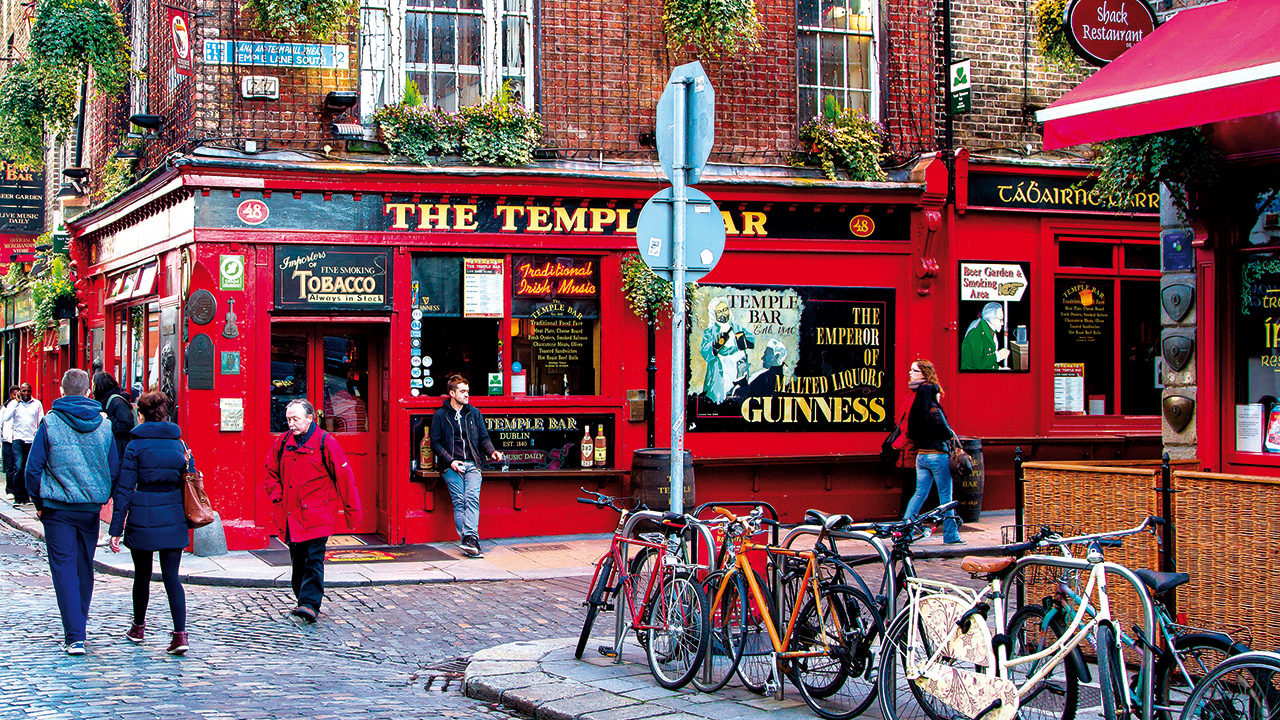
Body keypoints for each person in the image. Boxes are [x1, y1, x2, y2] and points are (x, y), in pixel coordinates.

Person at [24, 369, 120, 655]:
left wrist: (38, 503)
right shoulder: (105, 427)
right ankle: (80, 623)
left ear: (63, 392)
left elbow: (33, 469)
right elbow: (113, 469)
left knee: (64, 569)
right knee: (83, 566)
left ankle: (75, 635)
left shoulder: (50, 423)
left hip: (57, 508)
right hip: (89, 508)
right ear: (89, 391)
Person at [108, 391, 191, 655]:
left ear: (140, 415)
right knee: (172, 578)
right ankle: (180, 635)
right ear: (164, 414)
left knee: (141, 575)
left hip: (143, 512)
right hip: (172, 512)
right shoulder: (179, 444)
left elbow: (124, 488)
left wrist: (115, 529)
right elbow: (190, 479)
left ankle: (138, 627)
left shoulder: (135, 445)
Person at [264, 399, 362, 623]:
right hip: (291, 515)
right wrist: (277, 497)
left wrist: (352, 513)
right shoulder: (282, 443)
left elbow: (344, 479)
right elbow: (270, 473)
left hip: (318, 513)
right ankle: (303, 600)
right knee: (298, 560)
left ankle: (310, 604)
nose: (291, 424)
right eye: (288, 419)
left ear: (310, 418)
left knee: (313, 559)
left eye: (296, 419)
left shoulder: (326, 443)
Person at [429, 375, 502, 558]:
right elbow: (435, 444)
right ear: (452, 393)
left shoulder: (474, 413)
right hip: (451, 465)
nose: (466, 395)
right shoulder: (440, 416)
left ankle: (469, 539)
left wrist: (491, 451)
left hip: (472, 464)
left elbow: (483, 438)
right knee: (459, 500)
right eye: (462, 391)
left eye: (467, 391)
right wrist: (451, 461)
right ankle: (471, 541)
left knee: (471, 498)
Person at [902, 359, 963, 545]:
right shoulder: (934, 409)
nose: (910, 373)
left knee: (919, 493)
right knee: (946, 497)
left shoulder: (916, 407)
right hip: (937, 456)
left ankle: (905, 531)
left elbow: (910, 431)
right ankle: (951, 536)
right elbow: (946, 432)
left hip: (921, 456)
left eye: (914, 370)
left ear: (923, 373)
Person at [700, 298, 756, 403]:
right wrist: (716, 345)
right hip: (721, 371)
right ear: (714, 314)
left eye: (725, 310)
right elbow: (705, 352)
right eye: (719, 311)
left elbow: (751, 340)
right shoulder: (710, 332)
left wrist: (741, 341)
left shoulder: (735, 327)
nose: (723, 314)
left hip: (737, 369)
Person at [11, 382, 44, 506]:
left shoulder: (37, 404)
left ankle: (27, 496)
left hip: (31, 439)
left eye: (28, 391)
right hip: (18, 439)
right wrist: (15, 402)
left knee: (28, 468)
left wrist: (38, 432)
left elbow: (41, 419)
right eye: (23, 391)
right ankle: (18, 496)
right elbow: (6, 417)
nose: (26, 394)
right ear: (20, 391)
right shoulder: (15, 405)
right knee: (18, 467)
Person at [93, 371, 137, 464]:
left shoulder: (117, 401)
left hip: (120, 451)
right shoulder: (109, 400)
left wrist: (107, 420)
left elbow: (127, 424)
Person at [960, 302, 1011, 370]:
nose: (1002, 323)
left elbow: (988, 362)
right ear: (992, 319)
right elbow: (979, 363)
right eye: (1000, 319)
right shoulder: (976, 333)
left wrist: (999, 368)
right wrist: (998, 356)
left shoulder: (990, 331)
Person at [2, 386, 19, 501]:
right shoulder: (5, 408)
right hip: (7, 440)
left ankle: (19, 490)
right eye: (14, 395)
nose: (16, 397)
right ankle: (10, 490)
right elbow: (3, 420)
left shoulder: (22, 406)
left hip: (18, 439)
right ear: (10, 395)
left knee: (18, 466)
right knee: (9, 466)